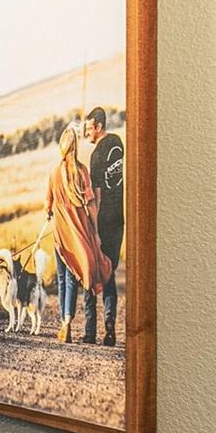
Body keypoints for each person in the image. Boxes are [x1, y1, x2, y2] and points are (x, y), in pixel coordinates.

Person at [45, 124, 110, 343]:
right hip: (79, 233)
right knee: (74, 277)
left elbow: (48, 203)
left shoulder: (54, 172)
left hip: (59, 233)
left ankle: (65, 326)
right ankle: (67, 322)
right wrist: (96, 231)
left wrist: (49, 214)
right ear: (75, 147)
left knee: (63, 279)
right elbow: (91, 205)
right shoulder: (82, 171)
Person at [83, 106, 125, 346]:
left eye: (89, 128)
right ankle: (110, 326)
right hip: (119, 219)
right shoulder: (118, 143)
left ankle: (91, 332)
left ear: (97, 126)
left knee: (96, 270)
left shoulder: (96, 155)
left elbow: (96, 197)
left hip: (104, 221)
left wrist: (95, 231)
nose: (87, 133)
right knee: (111, 273)